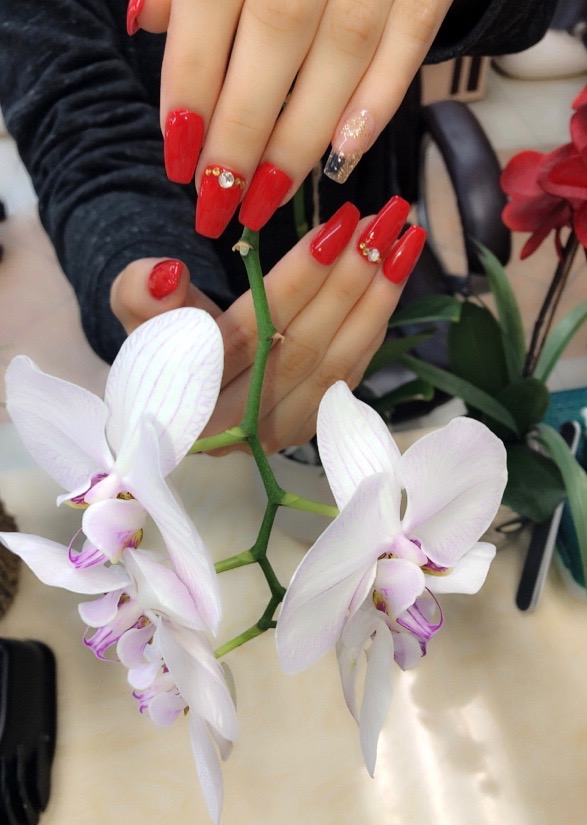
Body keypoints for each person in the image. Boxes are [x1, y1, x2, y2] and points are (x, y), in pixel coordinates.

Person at [0, 0, 557, 452]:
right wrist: (135, 258)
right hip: (221, 297)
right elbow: (73, 118)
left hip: (377, 265)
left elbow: (526, 17)